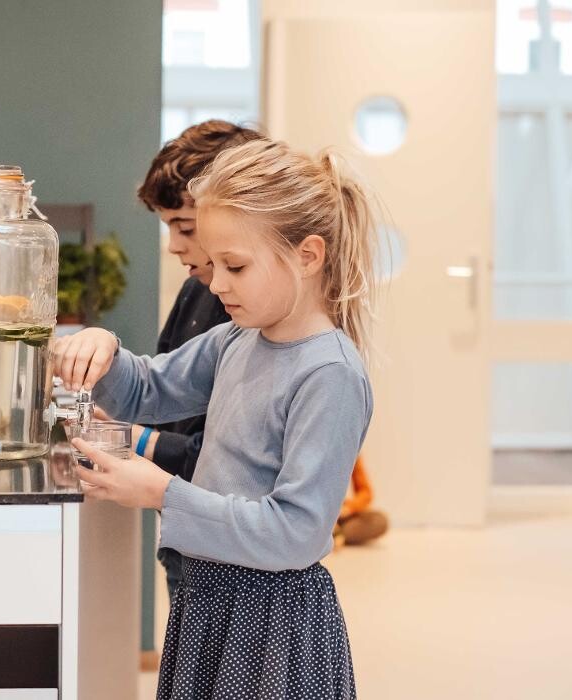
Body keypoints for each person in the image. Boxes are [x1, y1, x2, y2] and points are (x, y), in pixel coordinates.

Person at [53, 138, 377, 699]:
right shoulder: (236, 338)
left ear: (308, 256)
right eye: (215, 262)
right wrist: (103, 349)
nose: (216, 282)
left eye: (236, 265)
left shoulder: (331, 375)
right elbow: (148, 389)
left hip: (272, 624)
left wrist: (163, 493)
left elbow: (296, 533)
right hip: (208, 599)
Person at [132, 119, 264, 597]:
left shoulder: (260, 321)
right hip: (184, 537)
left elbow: (224, 457)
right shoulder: (195, 289)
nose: (174, 245)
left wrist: (135, 438)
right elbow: (159, 384)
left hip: (233, 555)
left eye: (185, 228)